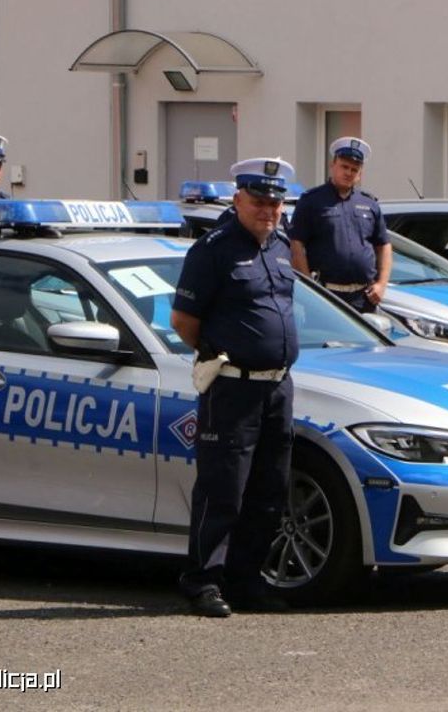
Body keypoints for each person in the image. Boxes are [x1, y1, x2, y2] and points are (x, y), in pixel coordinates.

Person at [171, 157, 300, 617]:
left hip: (277, 387)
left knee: (269, 491)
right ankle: (203, 581)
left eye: (275, 202)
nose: (268, 210)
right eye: (259, 201)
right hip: (233, 388)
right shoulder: (213, 250)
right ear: (238, 199)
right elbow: (184, 321)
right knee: (223, 490)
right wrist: (223, 353)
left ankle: (247, 581)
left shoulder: (280, 246)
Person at [289, 137, 391, 312]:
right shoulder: (311, 201)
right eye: (344, 167)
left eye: (354, 169)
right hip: (326, 295)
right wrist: (309, 287)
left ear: (360, 174)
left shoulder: (369, 203)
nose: (349, 173)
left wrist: (381, 284)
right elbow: (296, 244)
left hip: (364, 297)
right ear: (333, 165)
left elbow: (384, 245)